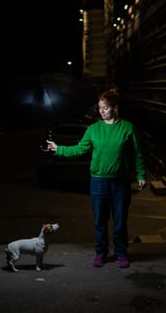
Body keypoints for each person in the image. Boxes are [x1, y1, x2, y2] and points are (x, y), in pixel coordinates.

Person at [46, 87, 146, 268]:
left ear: (115, 108)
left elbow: (137, 154)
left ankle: (121, 253)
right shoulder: (93, 129)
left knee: (120, 221)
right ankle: (101, 253)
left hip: (121, 182)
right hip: (99, 181)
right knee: (100, 221)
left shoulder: (128, 128)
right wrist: (59, 149)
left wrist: (141, 175)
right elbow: (79, 149)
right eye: (100, 108)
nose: (101, 111)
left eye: (105, 108)